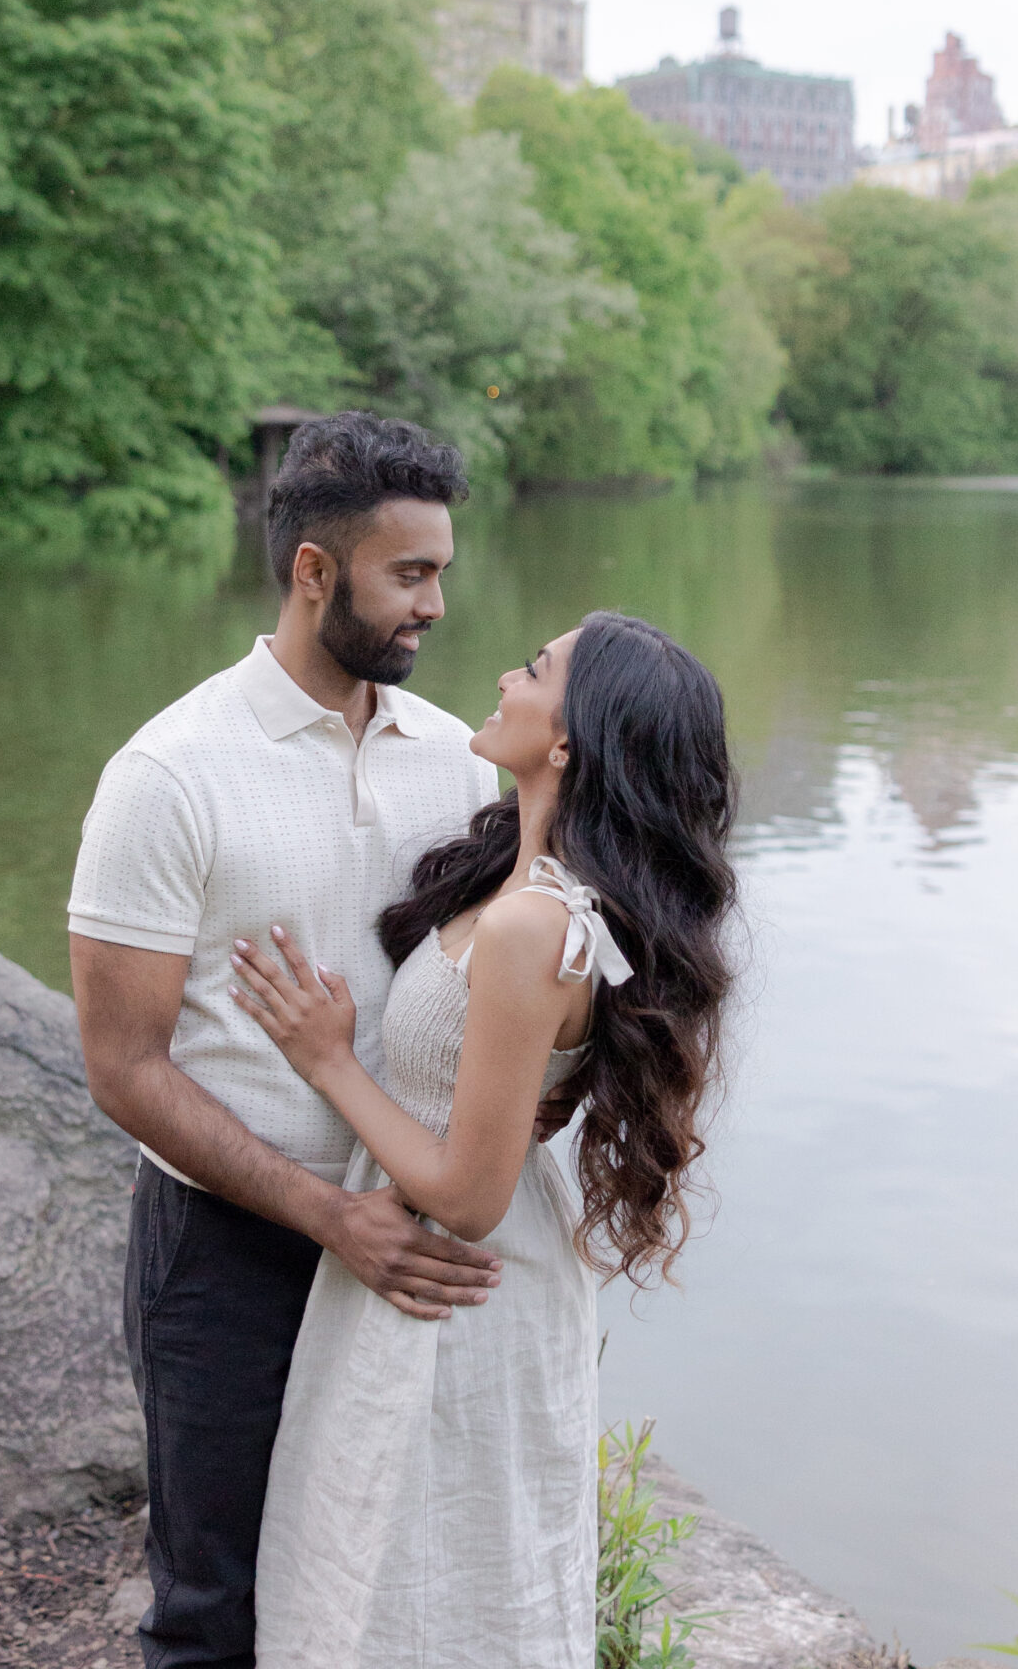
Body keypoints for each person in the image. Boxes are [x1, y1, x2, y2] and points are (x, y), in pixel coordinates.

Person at [68, 411, 500, 1669]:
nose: (432, 605)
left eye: (440, 575)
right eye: (408, 574)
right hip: (227, 1256)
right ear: (315, 571)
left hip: (407, 1231)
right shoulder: (173, 773)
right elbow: (123, 1066)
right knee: (214, 1609)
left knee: (380, 1585)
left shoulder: (458, 762)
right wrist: (325, 1214)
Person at [235, 610, 740, 1669]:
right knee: (392, 1564)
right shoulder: (529, 886)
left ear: (567, 741)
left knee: (436, 1587)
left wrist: (326, 1058)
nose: (509, 674)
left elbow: (468, 1192)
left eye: (537, 668)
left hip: (455, 1274)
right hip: (443, 1270)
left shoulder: (533, 926)